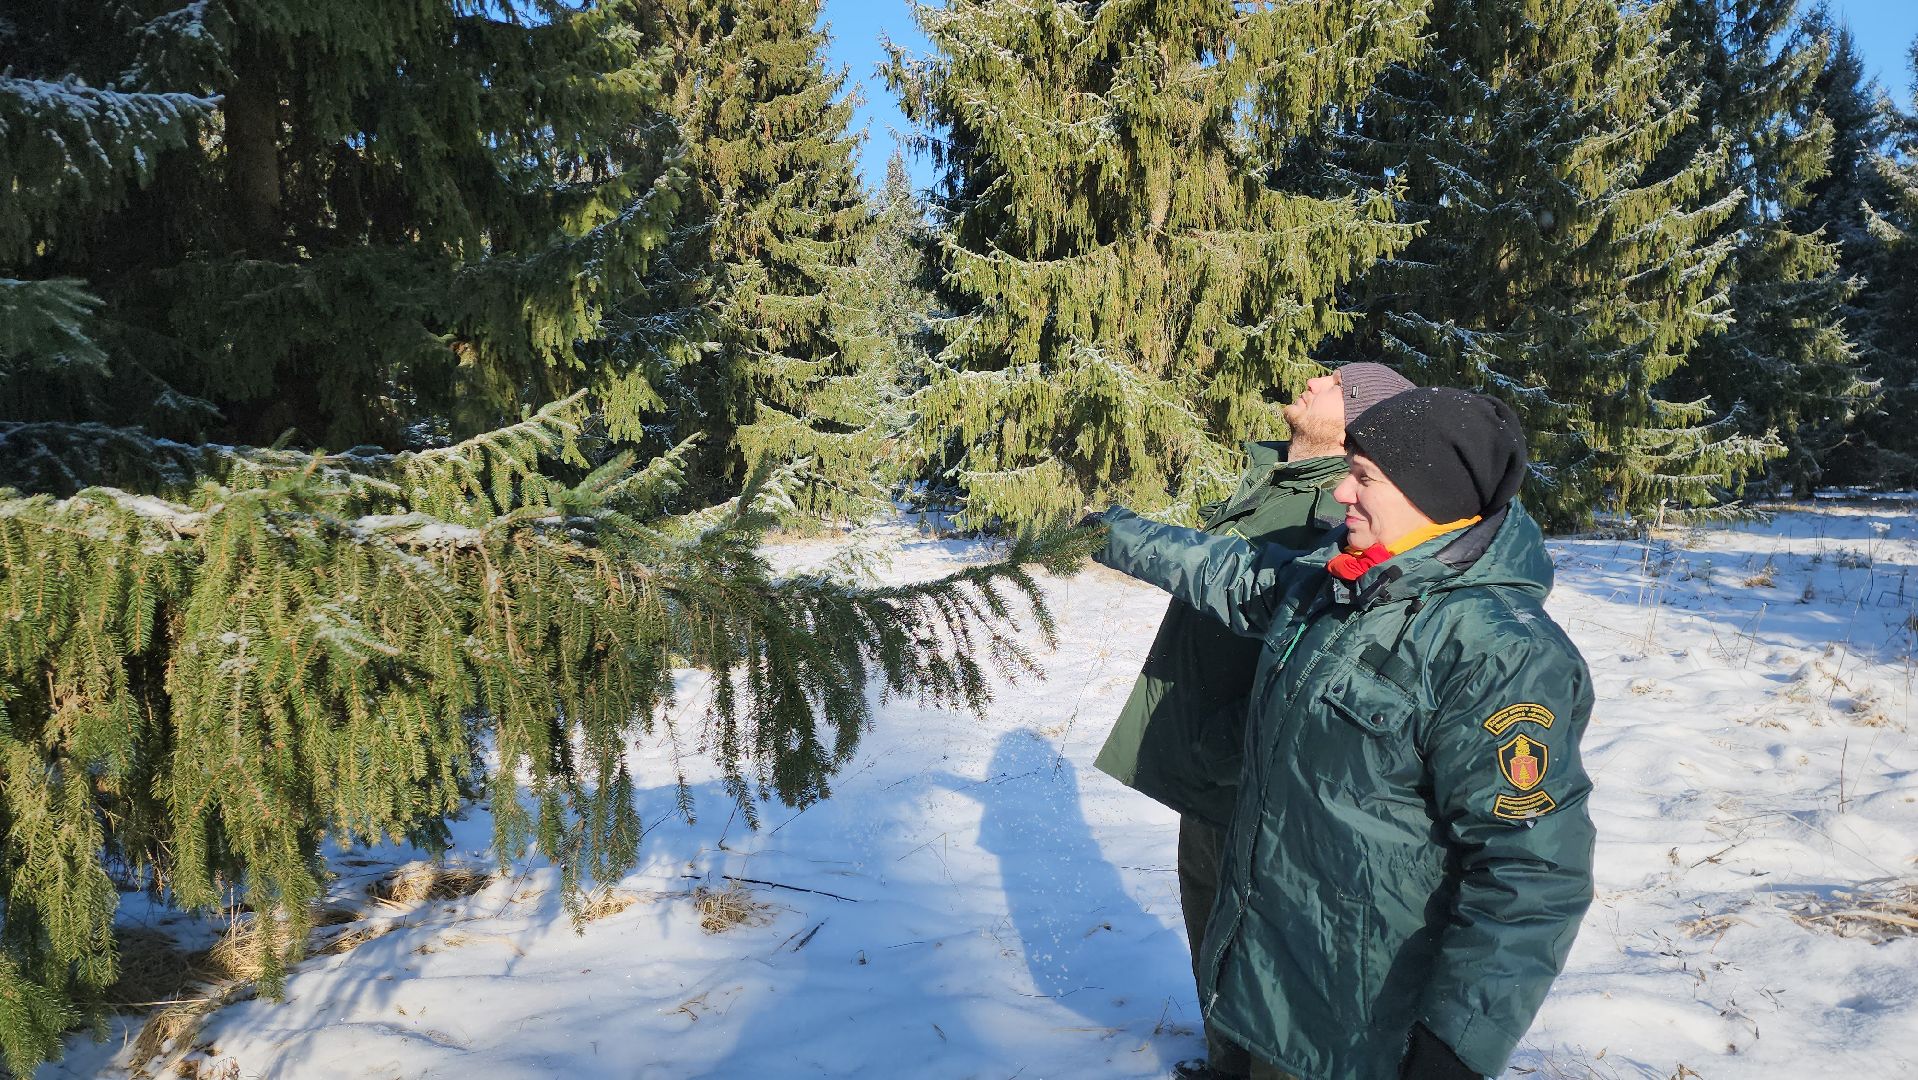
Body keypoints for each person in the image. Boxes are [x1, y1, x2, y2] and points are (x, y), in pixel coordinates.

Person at [1090, 389, 1595, 1080]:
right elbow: (1225, 571)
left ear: (1433, 495)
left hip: (1356, 1019)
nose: (1341, 491)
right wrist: (1104, 532)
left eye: (1365, 477)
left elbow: (1531, 869)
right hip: (1267, 968)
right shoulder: (1339, 579)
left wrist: (1456, 1046)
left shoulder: (1500, 654)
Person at [1092, 362, 1414, 1080]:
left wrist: (1233, 741)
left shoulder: (1344, 509)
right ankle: (1226, 1063)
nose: (1315, 379)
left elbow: (1308, 633)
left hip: (1257, 771)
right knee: (1209, 926)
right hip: (1212, 767)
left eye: (1336, 381)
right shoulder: (1277, 480)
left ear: (1359, 418)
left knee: (1265, 956)